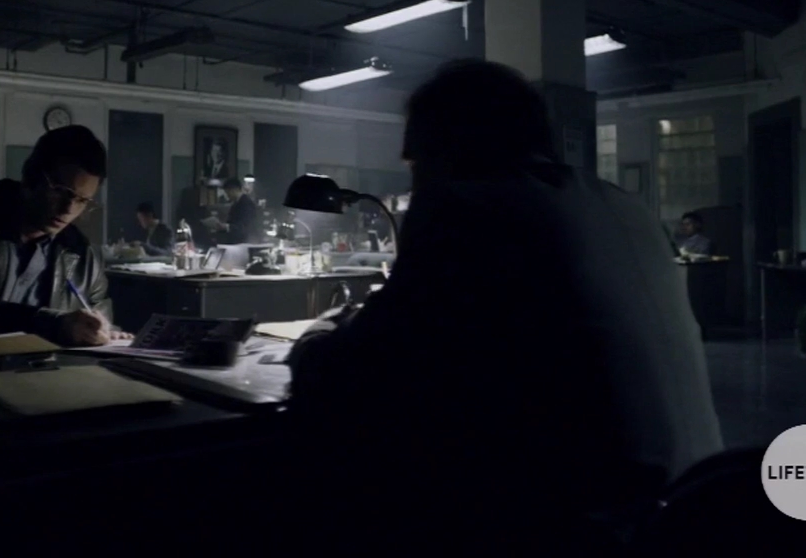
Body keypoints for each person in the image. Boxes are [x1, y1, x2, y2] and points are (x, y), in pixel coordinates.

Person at [285, 60, 723, 552]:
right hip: (697, 511)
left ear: (447, 148)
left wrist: (317, 335)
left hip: (591, 528)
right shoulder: (623, 204)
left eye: (416, 160)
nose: (415, 179)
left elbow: (357, 368)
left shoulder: (466, 206)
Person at [0, 125, 129, 346]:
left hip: (42, 365)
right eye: (60, 191)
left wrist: (104, 332)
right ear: (31, 178)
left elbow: (101, 318)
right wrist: (55, 324)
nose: (68, 209)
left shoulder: (83, 255)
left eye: (82, 200)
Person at [207, 177, 260, 244]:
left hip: (243, 241)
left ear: (234, 190)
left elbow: (245, 225)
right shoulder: (236, 203)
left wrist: (226, 226)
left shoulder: (246, 204)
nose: (227, 195)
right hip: (237, 240)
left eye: (227, 192)